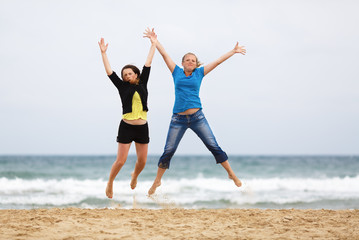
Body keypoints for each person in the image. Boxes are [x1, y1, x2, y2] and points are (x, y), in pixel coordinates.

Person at [147, 30, 246, 195]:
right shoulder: (176, 72)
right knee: (169, 150)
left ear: (196, 63)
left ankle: (231, 173)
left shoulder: (200, 73)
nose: (190, 62)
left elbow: (218, 62)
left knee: (213, 145)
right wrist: (155, 42)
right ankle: (157, 181)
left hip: (197, 117)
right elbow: (164, 55)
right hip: (178, 119)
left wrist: (233, 51)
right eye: (187, 60)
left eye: (193, 60)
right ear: (183, 62)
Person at [99, 28, 157, 199]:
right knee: (121, 161)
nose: (126, 76)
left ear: (136, 74)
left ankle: (135, 176)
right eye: (124, 75)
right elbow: (109, 72)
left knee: (143, 161)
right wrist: (104, 53)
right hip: (126, 127)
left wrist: (153, 44)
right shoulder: (122, 86)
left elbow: (148, 62)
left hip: (142, 127)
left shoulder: (143, 82)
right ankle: (110, 182)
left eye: (129, 73)